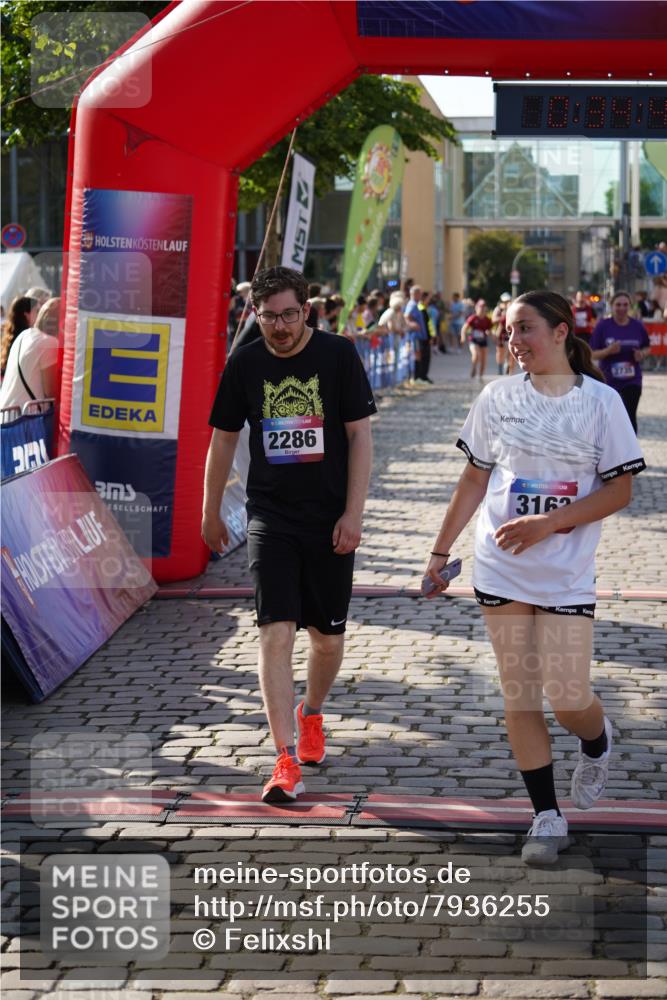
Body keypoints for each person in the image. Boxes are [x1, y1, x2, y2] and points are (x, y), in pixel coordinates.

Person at [424, 290, 645, 865]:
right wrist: (439, 551)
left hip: (565, 573)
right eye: (507, 331)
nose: (513, 341)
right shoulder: (496, 397)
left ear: (561, 332)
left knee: (569, 697)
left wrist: (551, 524)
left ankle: (596, 742)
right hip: (501, 567)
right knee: (520, 690)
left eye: (524, 329)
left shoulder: (601, 402)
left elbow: (619, 490)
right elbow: (474, 480)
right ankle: (546, 815)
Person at [203, 266, 376, 803]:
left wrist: (353, 513)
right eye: (268, 316)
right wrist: (210, 512)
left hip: (328, 519)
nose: (279, 326)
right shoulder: (245, 362)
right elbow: (224, 439)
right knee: (274, 633)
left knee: (327, 641)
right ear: (255, 314)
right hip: (270, 516)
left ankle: (313, 713)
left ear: (307, 309)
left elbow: (360, 437)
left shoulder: (338, 355)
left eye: (289, 314)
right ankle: (282, 761)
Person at [590, 290, 651, 433]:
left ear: (630, 306)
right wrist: (608, 351)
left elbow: (647, 347)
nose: (622, 308)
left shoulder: (638, 326)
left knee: (630, 416)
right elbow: (592, 354)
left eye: (625, 305)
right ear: (611, 306)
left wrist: (641, 354)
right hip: (608, 381)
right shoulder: (603, 326)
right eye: (618, 305)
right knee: (610, 417)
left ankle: (631, 452)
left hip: (632, 380)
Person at [0, 297, 60, 409]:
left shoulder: (24, 335)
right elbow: (51, 392)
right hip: (27, 420)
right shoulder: (49, 342)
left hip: (7, 418)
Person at [0, 295, 38, 379]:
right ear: (26, 314)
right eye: (36, 311)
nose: (39, 314)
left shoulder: (13, 334)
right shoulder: (27, 337)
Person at [404, 284, 432, 383]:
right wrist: (412, 324)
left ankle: (419, 377)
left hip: (421, 335)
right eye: (419, 293)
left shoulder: (417, 304)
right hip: (416, 336)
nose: (421, 295)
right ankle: (416, 377)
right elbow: (407, 317)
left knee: (420, 355)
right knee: (417, 355)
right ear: (415, 294)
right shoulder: (411, 304)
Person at [461, 298, 491, 381]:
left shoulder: (487, 319)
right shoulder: (473, 318)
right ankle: (474, 368)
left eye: (483, 307)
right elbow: (464, 328)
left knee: (484, 359)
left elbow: (489, 330)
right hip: (473, 340)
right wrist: (463, 337)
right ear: (476, 308)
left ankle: (480, 376)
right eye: (480, 307)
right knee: (476, 354)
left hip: (483, 340)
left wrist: (494, 338)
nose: (482, 309)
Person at [492, 293, 512, 375]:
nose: (506, 302)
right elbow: (493, 320)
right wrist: (502, 317)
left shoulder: (512, 308)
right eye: (505, 301)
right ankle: (500, 367)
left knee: (510, 351)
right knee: (500, 351)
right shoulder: (498, 309)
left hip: (510, 332)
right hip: (500, 333)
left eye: (508, 301)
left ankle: (507, 366)